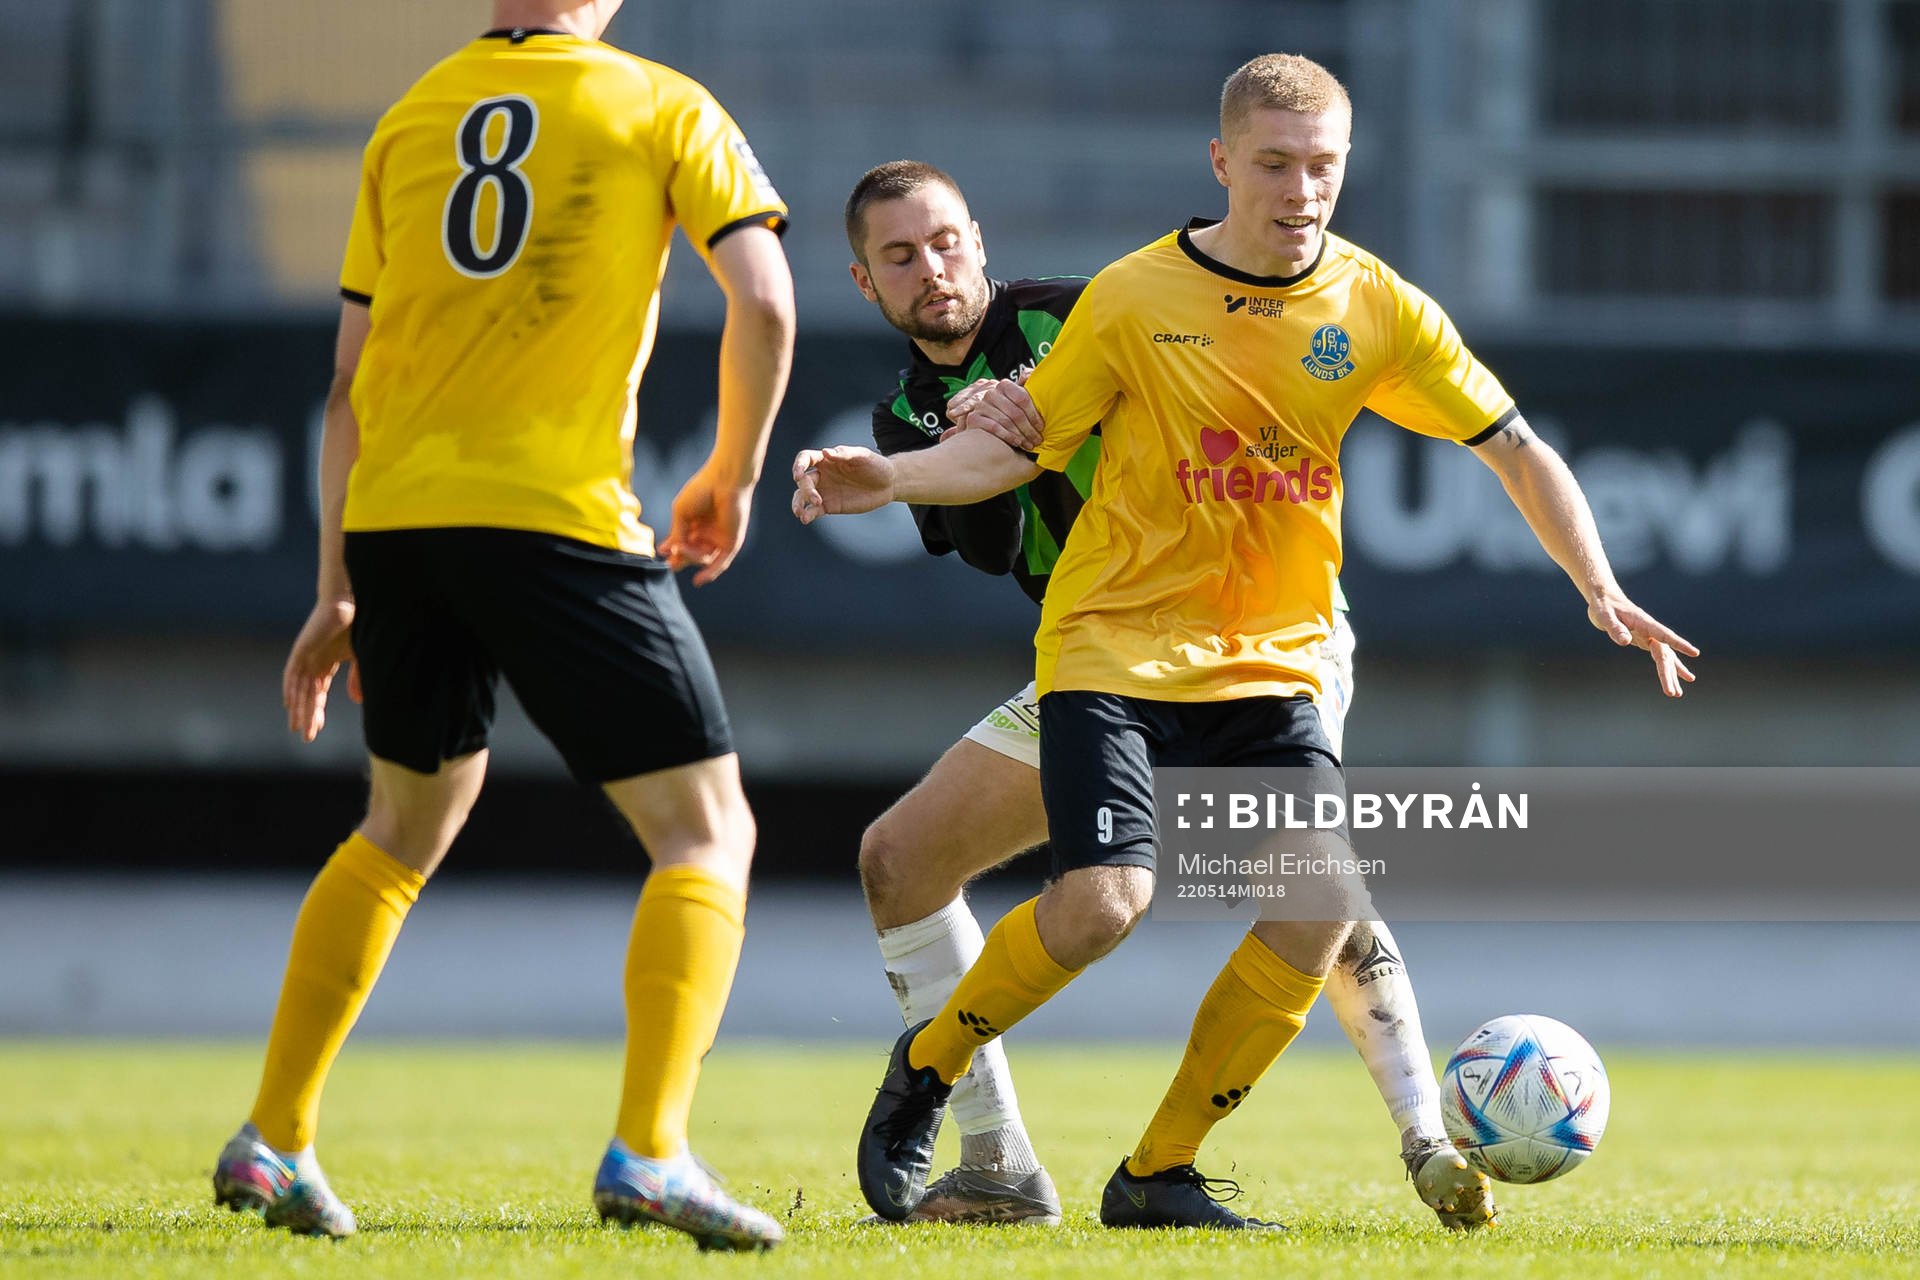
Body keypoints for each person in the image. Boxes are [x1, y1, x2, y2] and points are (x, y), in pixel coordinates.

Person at [796, 53, 1696, 1230]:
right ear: (1224, 164)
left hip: (1276, 647)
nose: (1301, 188)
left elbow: (1515, 445)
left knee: (1319, 893)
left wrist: (1597, 581)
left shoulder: (1365, 304)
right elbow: (1006, 455)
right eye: (1275, 163)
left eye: (1323, 165)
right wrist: (890, 476)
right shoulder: (1127, 301)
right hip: (1112, 645)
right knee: (1053, 890)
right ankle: (949, 1091)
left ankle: (1184, 1165)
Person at [210, 0, 795, 1251]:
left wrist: (337, 586)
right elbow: (767, 301)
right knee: (707, 829)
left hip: (399, 523)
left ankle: (275, 1133)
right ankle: (652, 1149)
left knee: (399, 826)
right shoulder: (660, 100)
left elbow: (348, 374)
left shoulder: (410, 114)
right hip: (553, 514)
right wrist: (732, 475)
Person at [837, 159, 1493, 1229]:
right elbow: (992, 537)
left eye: (947, 240)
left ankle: (1423, 1132)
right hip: (1104, 655)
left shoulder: (1092, 305)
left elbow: (1206, 392)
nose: (933, 268)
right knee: (899, 858)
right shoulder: (905, 411)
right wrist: (982, 430)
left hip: (1261, 631)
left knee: (1317, 887)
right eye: (900, 256)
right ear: (867, 283)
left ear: (982, 240)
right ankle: (997, 1160)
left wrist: (1037, 406)